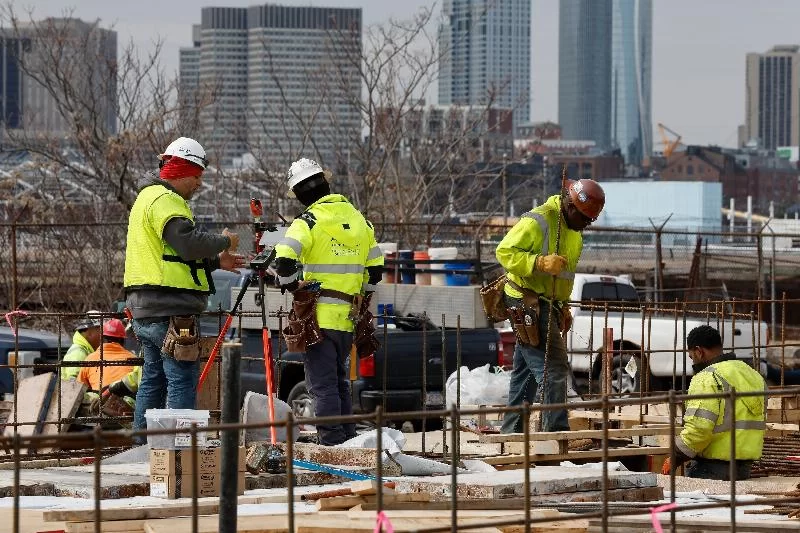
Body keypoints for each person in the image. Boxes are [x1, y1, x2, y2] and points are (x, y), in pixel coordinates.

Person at [123, 137, 245, 438]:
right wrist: (224, 241)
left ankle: (140, 450)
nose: (199, 183)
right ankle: (181, 452)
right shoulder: (167, 201)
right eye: (197, 175)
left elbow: (171, 259)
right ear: (181, 170)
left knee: (153, 379)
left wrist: (216, 262)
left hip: (146, 306)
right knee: (182, 378)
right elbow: (187, 243)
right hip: (170, 309)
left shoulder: (145, 199)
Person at [274, 157, 383, 446]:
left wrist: (290, 284)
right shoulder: (359, 220)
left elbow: (283, 260)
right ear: (325, 182)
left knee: (322, 386)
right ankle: (348, 439)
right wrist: (360, 294)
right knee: (340, 384)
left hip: (318, 319)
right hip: (347, 317)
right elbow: (376, 270)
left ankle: (332, 442)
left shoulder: (308, 221)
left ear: (298, 193)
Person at [497, 178, 605, 433]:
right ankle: (556, 433)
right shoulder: (539, 220)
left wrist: (563, 306)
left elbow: (565, 277)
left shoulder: (574, 234)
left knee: (525, 375)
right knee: (553, 368)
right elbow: (504, 252)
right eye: (586, 219)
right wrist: (539, 263)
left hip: (547, 303)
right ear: (571, 208)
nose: (587, 225)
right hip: (526, 301)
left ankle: (512, 431)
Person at [663, 325, 766, 480]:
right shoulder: (752, 374)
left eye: (692, 356)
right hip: (744, 469)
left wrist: (675, 457)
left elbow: (699, 429)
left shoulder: (707, 377)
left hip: (712, 469)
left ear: (699, 351)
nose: (693, 361)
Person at [78, 318, 139, 413]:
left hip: (98, 408)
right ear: (123, 340)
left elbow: (79, 389)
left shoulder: (90, 359)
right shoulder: (133, 359)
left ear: (102, 338)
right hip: (125, 409)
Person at [61, 310, 103, 381]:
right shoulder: (78, 353)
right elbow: (73, 385)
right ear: (89, 332)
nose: (103, 335)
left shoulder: (85, 350)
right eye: (100, 330)